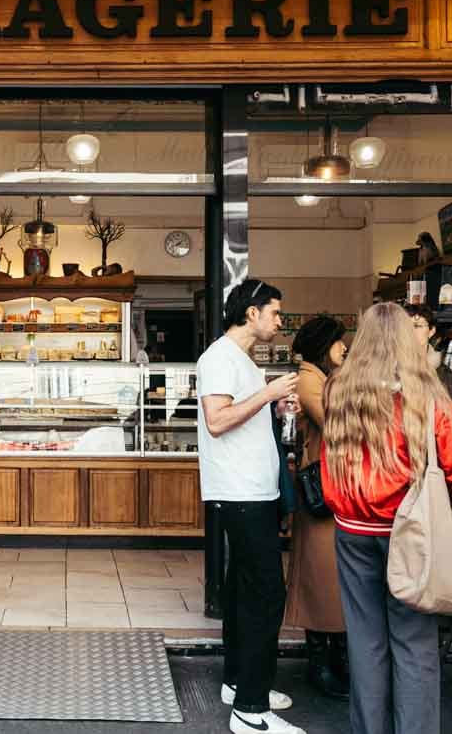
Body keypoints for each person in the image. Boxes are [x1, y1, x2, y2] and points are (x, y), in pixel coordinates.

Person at [320, 302, 452, 734]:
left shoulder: (339, 389)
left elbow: (328, 460)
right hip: (413, 532)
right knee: (414, 645)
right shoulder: (427, 395)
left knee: (365, 641)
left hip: (353, 529)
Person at [197, 278, 305, 734]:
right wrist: (269, 393)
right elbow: (218, 420)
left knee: (243, 591)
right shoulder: (220, 357)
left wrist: (275, 409)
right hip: (241, 491)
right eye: (275, 313)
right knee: (266, 594)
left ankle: (239, 683)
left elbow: (239, 414)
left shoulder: (239, 358)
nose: (280, 322)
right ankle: (251, 711)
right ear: (252, 312)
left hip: (253, 489)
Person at [283, 315, 350, 698]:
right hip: (321, 490)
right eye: (340, 342)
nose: (345, 348)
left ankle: (336, 658)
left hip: (335, 487)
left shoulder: (321, 378)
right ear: (325, 345)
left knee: (333, 576)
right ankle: (320, 663)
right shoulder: (310, 379)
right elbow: (338, 423)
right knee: (321, 575)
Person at [404, 304, 452, 427]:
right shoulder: (391, 370)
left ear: (431, 331)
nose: (411, 332)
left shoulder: (443, 373)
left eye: (417, 326)